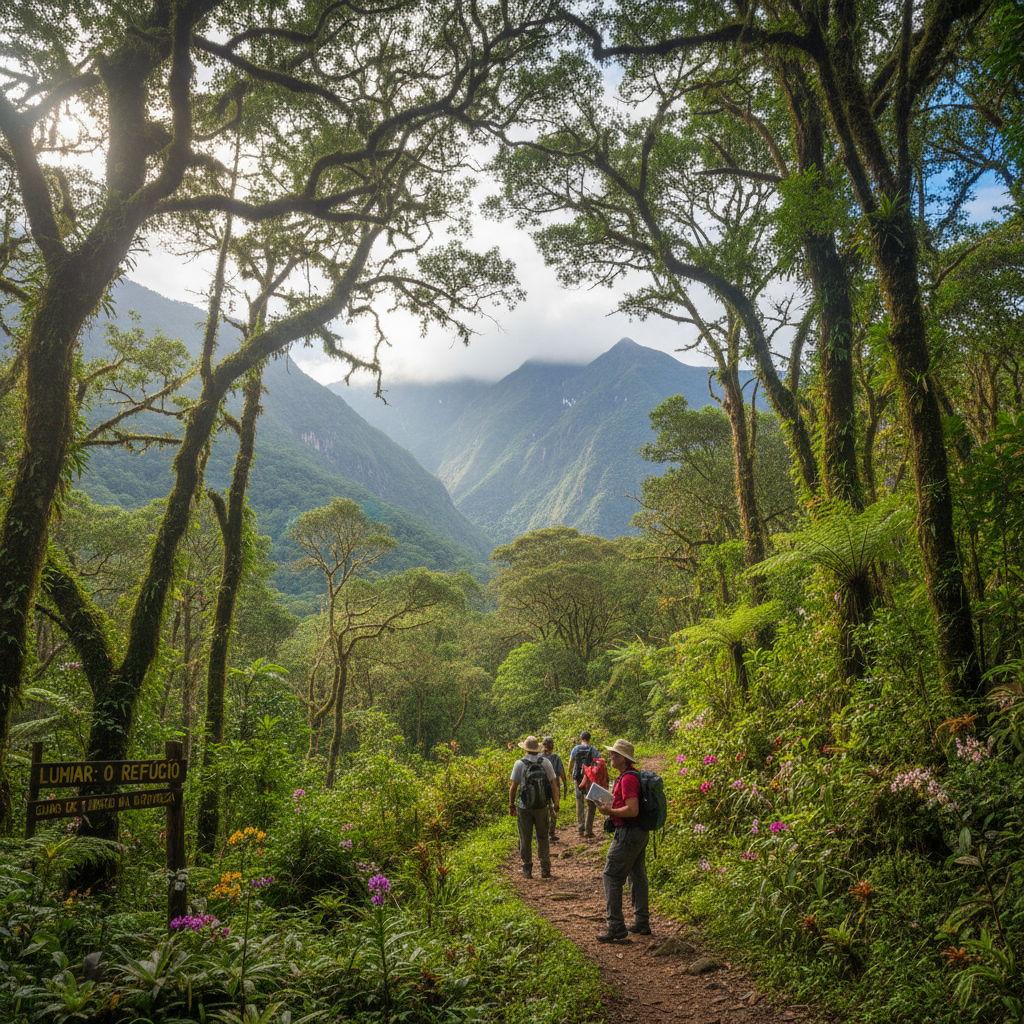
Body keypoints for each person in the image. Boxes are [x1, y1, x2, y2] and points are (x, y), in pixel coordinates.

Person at [594, 738, 651, 941]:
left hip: (628, 832)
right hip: (639, 832)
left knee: (611, 875)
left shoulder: (627, 779)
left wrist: (609, 810)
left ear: (624, 759)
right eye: (611, 753)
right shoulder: (629, 775)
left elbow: (633, 809)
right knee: (637, 875)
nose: (611, 756)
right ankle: (641, 922)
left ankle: (616, 926)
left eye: (615, 754)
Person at [509, 735, 559, 879]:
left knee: (525, 837)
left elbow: (513, 787)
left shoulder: (519, 764)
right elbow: (554, 784)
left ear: (525, 749)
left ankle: (527, 868)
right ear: (537, 749)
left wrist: (512, 805)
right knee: (542, 836)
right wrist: (556, 803)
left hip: (524, 807)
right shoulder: (546, 763)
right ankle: (545, 868)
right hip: (542, 806)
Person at [568, 730, 600, 838]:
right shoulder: (593, 749)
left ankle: (580, 828)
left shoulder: (575, 749)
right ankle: (588, 828)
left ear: (581, 738)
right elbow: (599, 762)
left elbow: (570, 763)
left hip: (577, 778)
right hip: (589, 778)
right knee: (590, 803)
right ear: (589, 739)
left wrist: (571, 772)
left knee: (579, 802)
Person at [541, 736, 567, 843]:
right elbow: (561, 772)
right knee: (555, 807)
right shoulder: (556, 757)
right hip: (555, 785)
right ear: (553, 746)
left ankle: (544, 831)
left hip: (542, 785)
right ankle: (551, 832)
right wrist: (565, 785)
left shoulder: (539, 757)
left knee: (544, 808)